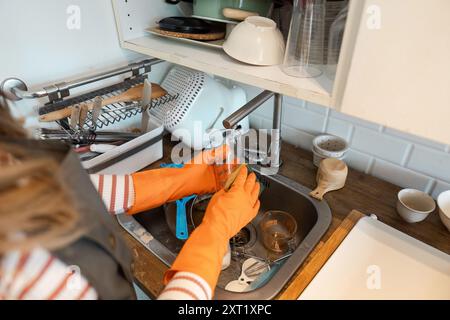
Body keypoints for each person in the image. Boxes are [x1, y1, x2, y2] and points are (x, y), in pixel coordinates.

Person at [0, 94, 260, 300]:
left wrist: (180, 180)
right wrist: (214, 233)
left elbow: (71, 191)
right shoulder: (18, 271)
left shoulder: (14, 169)